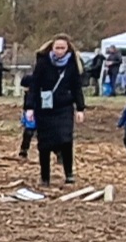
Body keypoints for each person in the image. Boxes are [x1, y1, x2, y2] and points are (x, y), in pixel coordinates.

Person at [23, 34, 86, 185]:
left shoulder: (73, 64)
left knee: (66, 139)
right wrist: (29, 107)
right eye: (57, 48)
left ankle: (69, 173)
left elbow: (77, 87)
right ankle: (45, 177)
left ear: (68, 48)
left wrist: (80, 108)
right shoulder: (43, 62)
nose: (59, 51)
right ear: (52, 47)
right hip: (44, 107)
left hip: (64, 107)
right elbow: (34, 85)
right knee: (44, 143)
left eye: (62, 48)